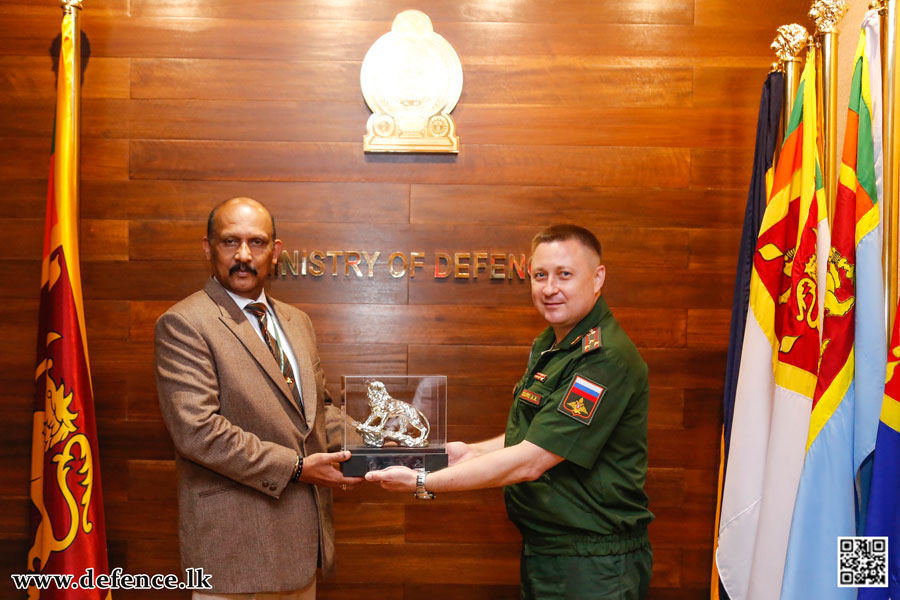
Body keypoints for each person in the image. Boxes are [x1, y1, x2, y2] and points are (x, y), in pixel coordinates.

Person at [367, 224, 654, 600]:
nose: (550, 288)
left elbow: (531, 461)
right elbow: (542, 433)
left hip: (593, 565)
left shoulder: (603, 359)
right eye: (540, 275)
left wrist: (423, 483)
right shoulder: (554, 345)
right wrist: (470, 452)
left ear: (597, 277)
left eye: (564, 274)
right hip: (551, 553)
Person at [155, 197, 362, 599]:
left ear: (276, 251)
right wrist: (299, 468)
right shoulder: (184, 323)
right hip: (236, 554)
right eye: (231, 242)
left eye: (258, 242)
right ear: (208, 248)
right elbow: (198, 432)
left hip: (301, 551)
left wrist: (380, 441)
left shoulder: (296, 321)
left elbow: (318, 414)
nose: (244, 255)